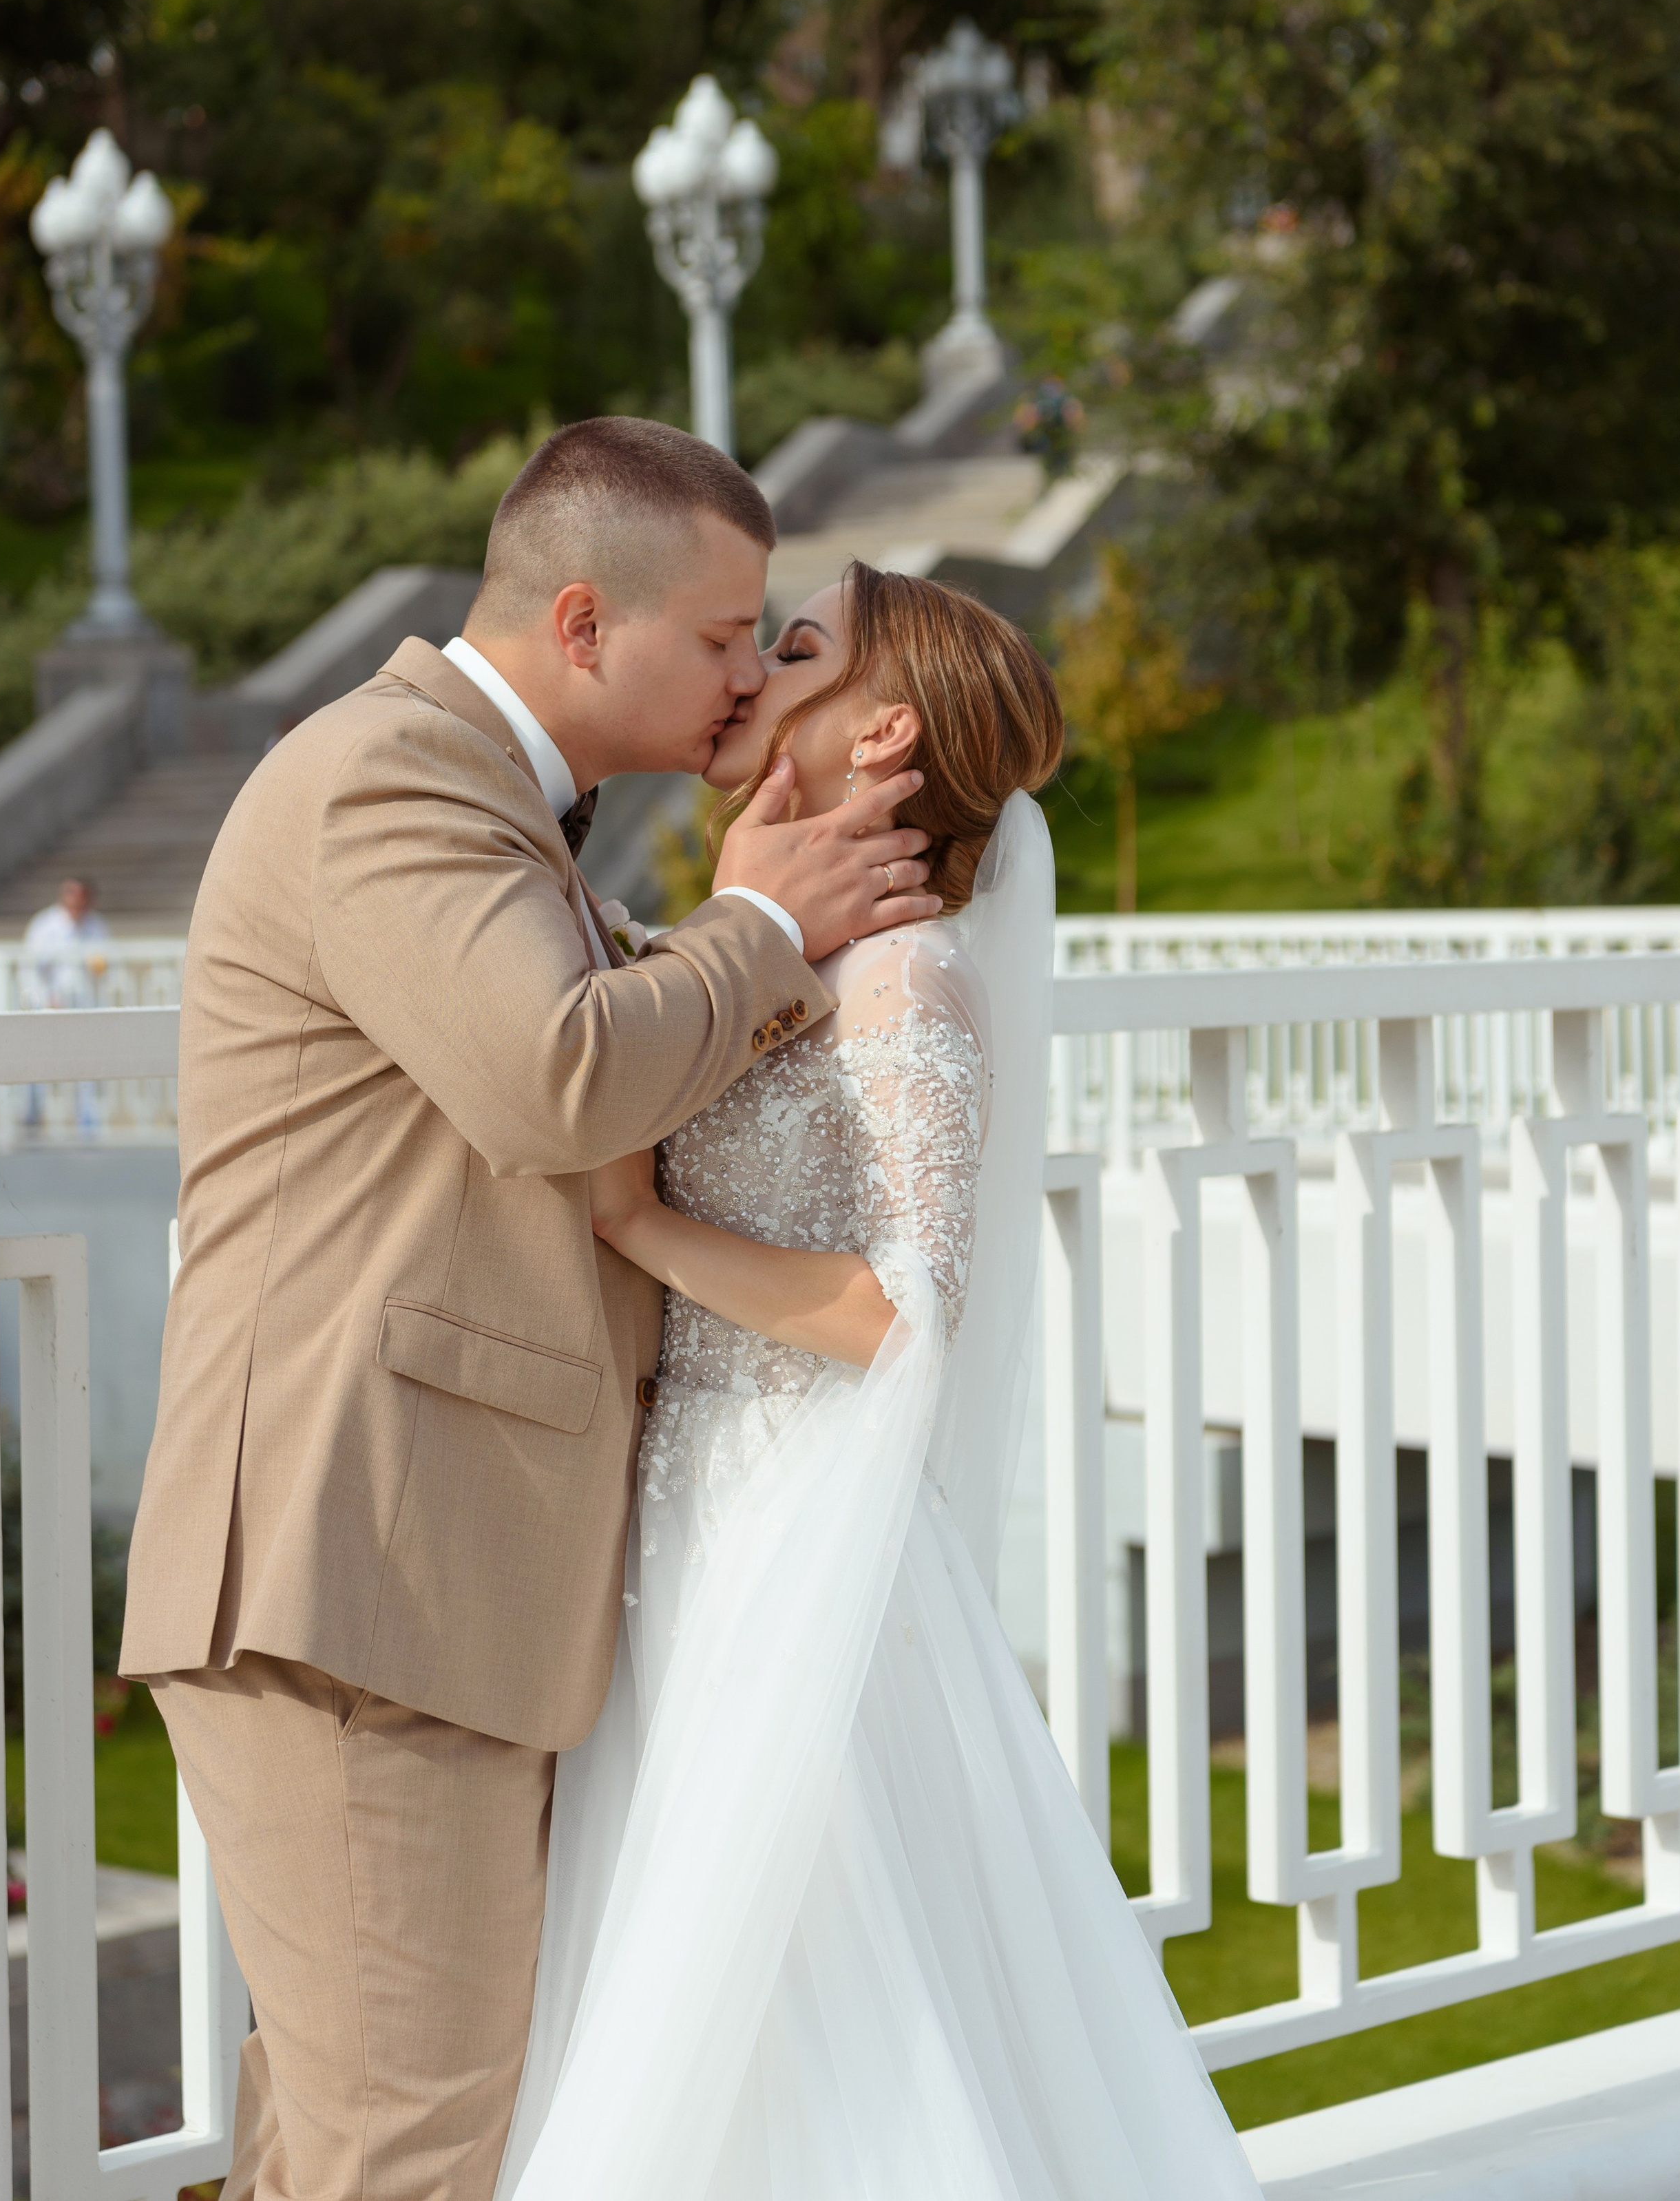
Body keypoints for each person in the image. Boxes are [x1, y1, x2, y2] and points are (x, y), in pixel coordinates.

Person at [120, 421, 944, 2201]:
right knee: (418, 2152)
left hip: (433, 1579)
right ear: (585, 621)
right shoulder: (388, 780)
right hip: (354, 1574)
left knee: (361, 2140)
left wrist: (771, 937)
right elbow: (559, 1076)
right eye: (726, 635)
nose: (746, 672)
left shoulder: (502, 816)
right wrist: (760, 928)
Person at [498, 562, 1261, 2201]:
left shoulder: (906, 979)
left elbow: (905, 1313)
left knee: (829, 1981)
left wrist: (639, 1224)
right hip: (688, 1523)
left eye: (789, 644)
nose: (746, 666)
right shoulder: (774, 946)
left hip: (799, 1524)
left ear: (884, 723)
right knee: (723, 1987)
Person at [21, 874, 110, 1134]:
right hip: (50, 1007)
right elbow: (30, 969)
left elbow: (106, 967)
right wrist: (44, 999)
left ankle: (87, 1120)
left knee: (86, 1063)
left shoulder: (97, 927)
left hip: (84, 1009)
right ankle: (32, 1117)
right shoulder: (44, 926)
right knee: (39, 1063)